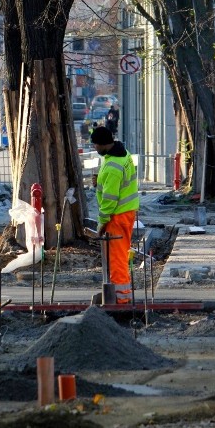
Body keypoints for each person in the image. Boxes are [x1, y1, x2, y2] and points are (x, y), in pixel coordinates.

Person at [90, 125, 139, 304]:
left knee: (117, 258)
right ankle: (121, 296)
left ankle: (121, 299)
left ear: (103, 144)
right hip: (126, 213)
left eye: (95, 145)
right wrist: (99, 183)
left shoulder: (112, 166)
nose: (95, 148)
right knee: (120, 255)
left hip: (116, 217)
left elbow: (110, 200)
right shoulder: (120, 154)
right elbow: (115, 185)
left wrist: (101, 224)